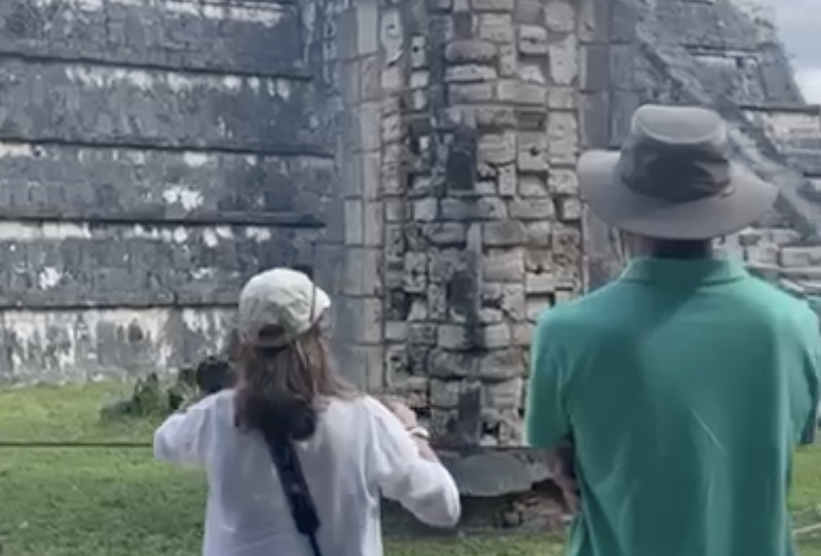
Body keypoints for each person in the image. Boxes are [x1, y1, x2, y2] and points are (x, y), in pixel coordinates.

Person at [525, 103, 821, 556]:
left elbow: (558, 461)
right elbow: (784, 435)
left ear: (622, 205)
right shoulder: (794, 324)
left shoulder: (564, 332)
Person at [154, 267, 461, 556]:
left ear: (246, 341)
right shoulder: (365, 419)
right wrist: (412, 433)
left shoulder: (218, 416)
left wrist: (206, 400)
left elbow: (164, 443)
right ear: (319, 336)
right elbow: (443, 507)